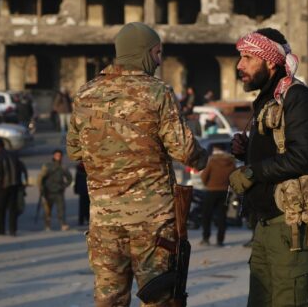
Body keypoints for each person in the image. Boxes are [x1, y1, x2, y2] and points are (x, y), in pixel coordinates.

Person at [66, 22, 208, 306]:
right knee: (159, 298)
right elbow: (185, 152)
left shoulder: (85, 93)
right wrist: (205, 157)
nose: (159, 60)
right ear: (143, 53)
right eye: (156, 53)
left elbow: (73, 152)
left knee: (109, 300)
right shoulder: (158, 92)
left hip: (105, 222)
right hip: (152, 223)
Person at [228, 28, 308, 307]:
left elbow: (303, 157)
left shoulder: (296, 97)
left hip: (290, 227)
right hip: (265, 225)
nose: (239, 65)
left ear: (270, 61)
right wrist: (247, 152)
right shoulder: (268, 99)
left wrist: (252, 172)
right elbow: (278, 150)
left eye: (247, 58)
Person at [199, 144, 236, 246]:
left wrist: (208, 184)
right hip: (225, 192)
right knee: (222, 216)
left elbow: (203, 176)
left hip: (211, 191)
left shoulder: (212, 161)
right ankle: (220, 240)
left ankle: (206, 238)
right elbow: (234, 177)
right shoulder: (231, 162)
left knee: (207, 215)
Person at [0, 138, 23, 237]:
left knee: (0, 209)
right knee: (12, 208)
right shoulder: (13, 155)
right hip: (14, 185)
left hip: (2, 186)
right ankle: (13, 230)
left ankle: (1, 228)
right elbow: (20, 168)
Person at [38, 149, 73, 231]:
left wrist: (64, 185)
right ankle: (47, 225)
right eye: (57, 155)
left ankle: (63, 224)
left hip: (59, 191)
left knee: (61, 209)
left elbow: (69, 178)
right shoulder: (47, 166)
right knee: (47, 210)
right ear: (53, 156)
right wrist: (41, 188)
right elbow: (40, 178)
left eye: (60, 156)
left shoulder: (63, 167)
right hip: (48, 191)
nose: (58, 157)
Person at [74, 161, 89, 226]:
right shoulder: (79, 168)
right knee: (82, 206)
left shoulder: (89, 167)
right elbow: (76, 180)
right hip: (82, 190)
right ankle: (81, 220)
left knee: (88, 206)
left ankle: (88, 219)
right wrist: (76, 189)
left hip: (88, 189)